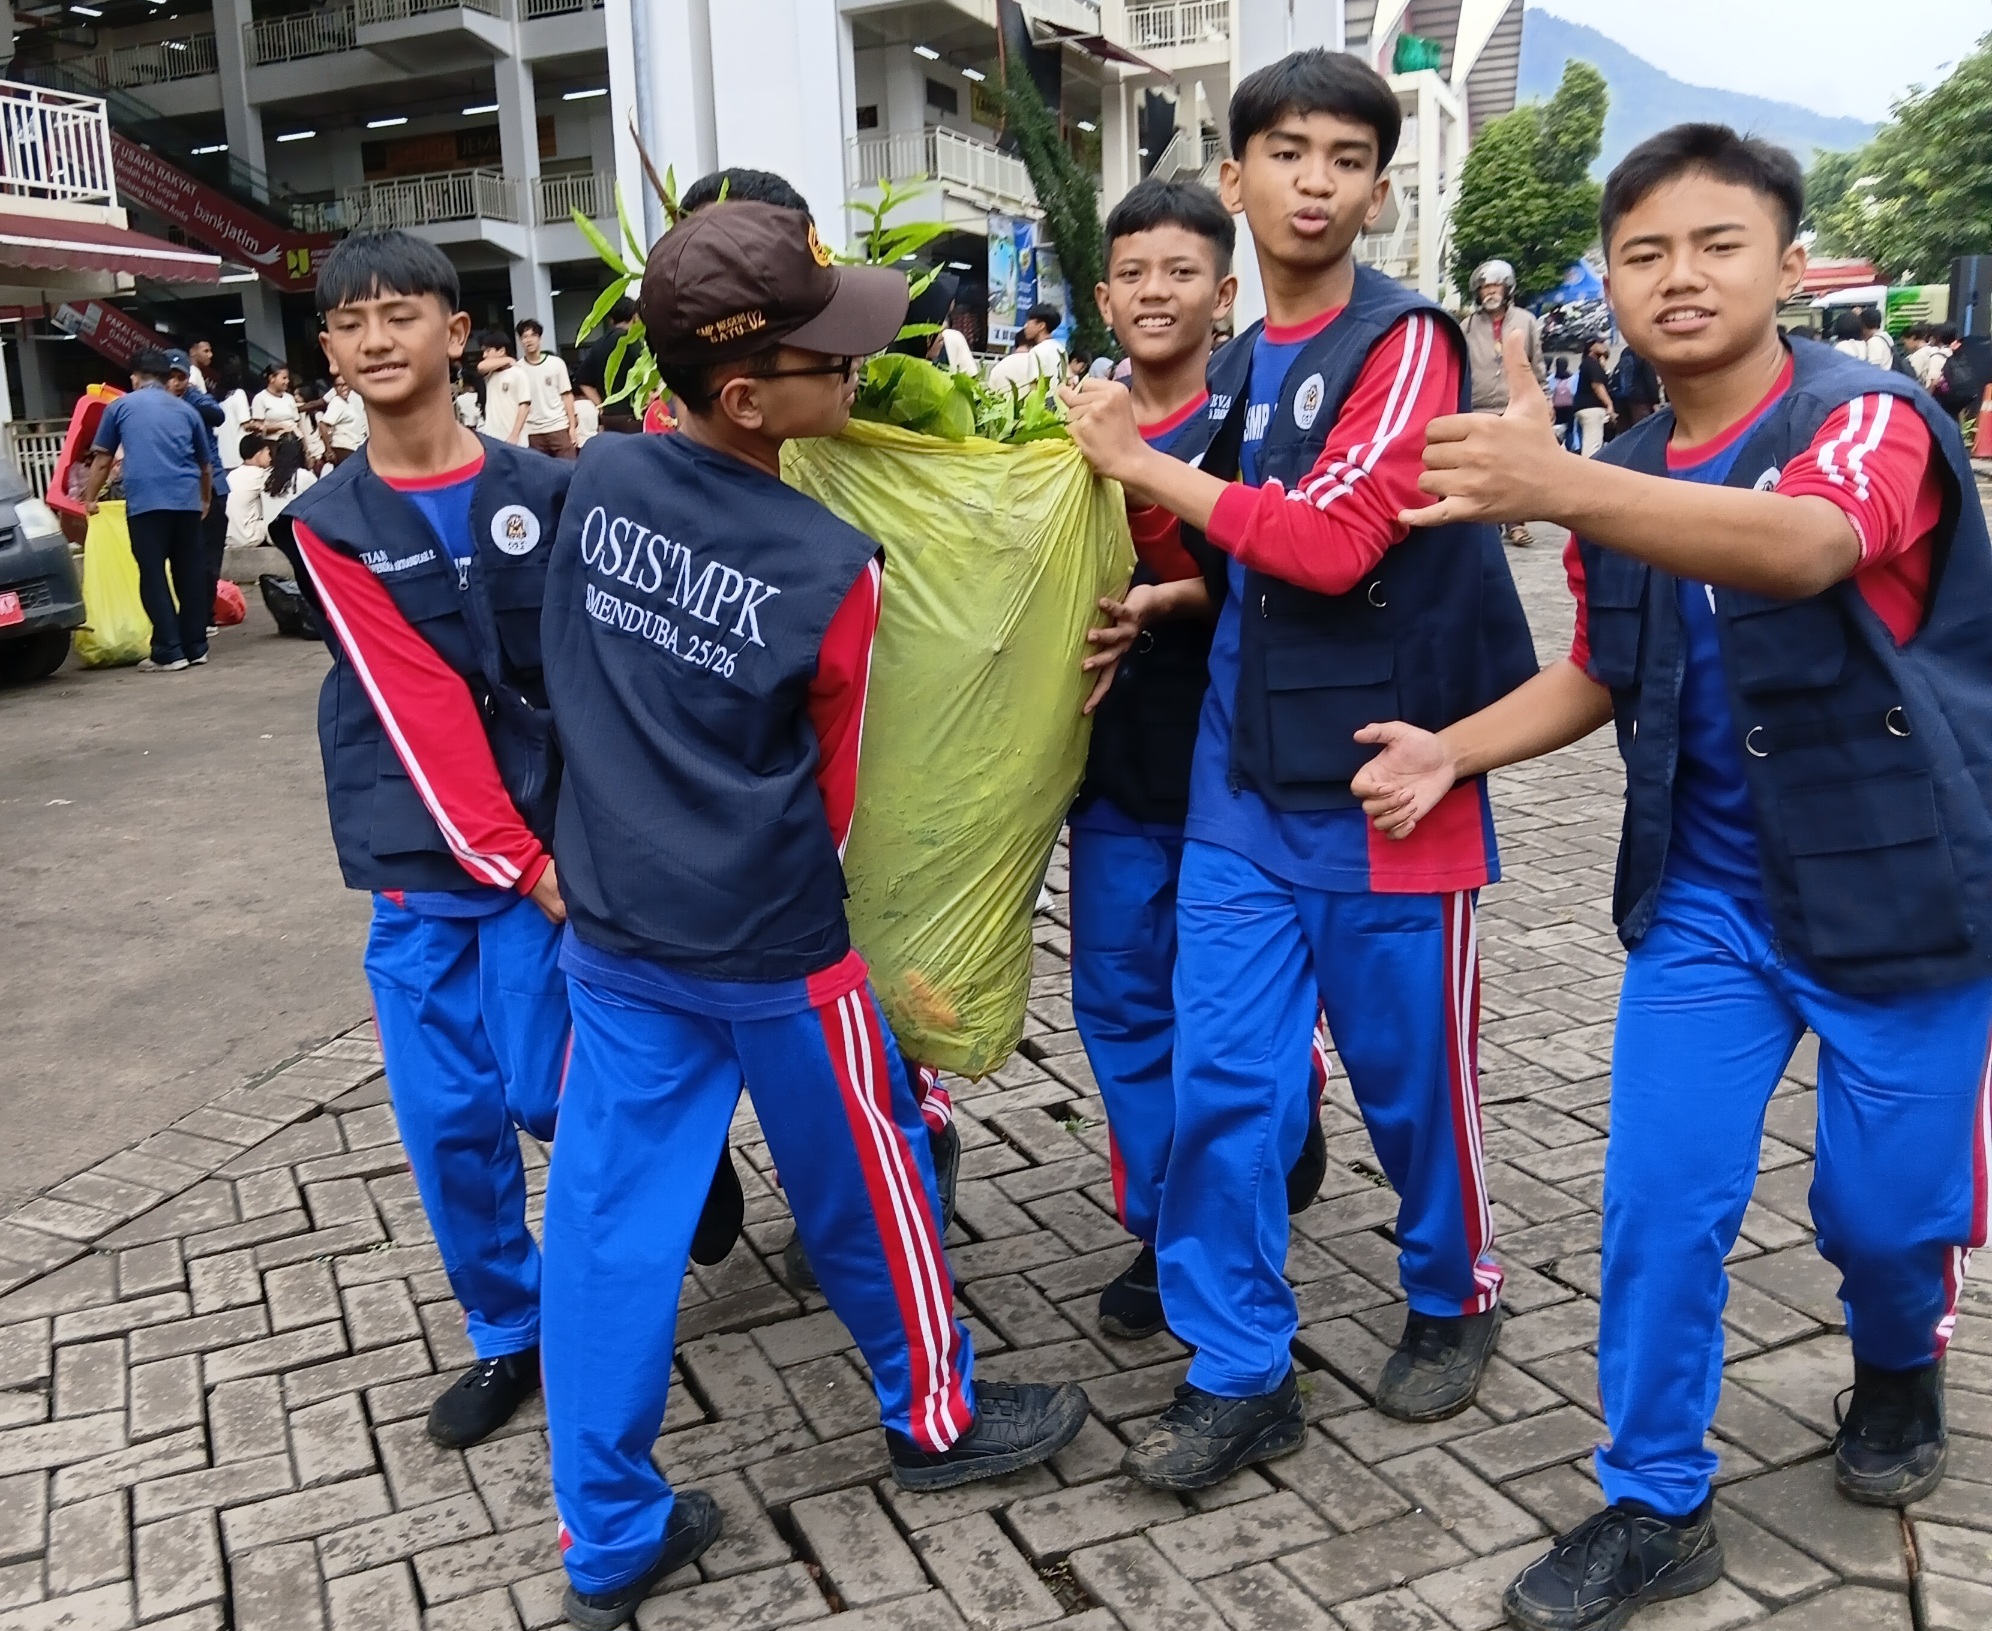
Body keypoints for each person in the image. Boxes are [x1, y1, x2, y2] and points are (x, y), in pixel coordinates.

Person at [1350, 123, 1992, 1631]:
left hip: (1901, 895)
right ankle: (1654, 1497)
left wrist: (1560, 481)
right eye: (1644, 252)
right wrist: (1455, 748)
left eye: (1716, 243)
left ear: (1784, 260)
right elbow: (1600, 670)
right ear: (1610, 285)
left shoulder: (1875, 419)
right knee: (1656, 1202)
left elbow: (1810, 547)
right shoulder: (1624, 468)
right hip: (1707, 900)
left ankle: (1898, 1357)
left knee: (1884, 1214)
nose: (1680, 275)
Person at [536, 199, 1091, 1630]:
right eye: (826, 361)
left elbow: (560, 673)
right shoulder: (829, 565)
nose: (852, 374)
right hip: (781, 944)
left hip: (615, 932)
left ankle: (606, 1532)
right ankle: (937, 1417)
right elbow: (840, 789)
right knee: (869, 1178)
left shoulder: (593, 484)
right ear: (744, 394)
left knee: (605, 1221)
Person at [1060, 48, 1537, 1489]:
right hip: (1240, 788)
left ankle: (1454, 1291)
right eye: (1286, 152)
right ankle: (1240, 1361)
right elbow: (1251, 556)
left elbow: (1334, 541)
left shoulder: (1411, 344)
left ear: (1379, 192)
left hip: (1394, 779)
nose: (1313, 179)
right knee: (1220, 1082)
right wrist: (1170, 597)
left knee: (1410, 1084)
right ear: (1237, 178)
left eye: (1344, 158)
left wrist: (1139, 463)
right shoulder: (1252, 363)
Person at [286, 230, 575, 1456]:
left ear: (459, 335)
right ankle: (511, 1329)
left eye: (399, 315)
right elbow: (418, 716)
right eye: (350, 324)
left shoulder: (549, 491)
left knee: (548, 1088)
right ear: (330, 355)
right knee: (452, 1118)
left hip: (548, 863)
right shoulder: (327, 523)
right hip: (423, 865)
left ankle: (681, 1177)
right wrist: (516, 856)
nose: (376, 340)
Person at [1070, 176, 1334, 1343]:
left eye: (1181, 272)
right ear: (1103, 293)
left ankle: (1265, 1147)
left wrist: (1163, 596)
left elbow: (1291, 561)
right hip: (1116, 762)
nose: (1155, 292)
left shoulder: (1264, 418)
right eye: (1134, 273)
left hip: (1242, 768)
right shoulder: (1068, 430)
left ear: (1224, 294)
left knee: (1227, 1017)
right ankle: (1166, 1213)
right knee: (1121, 997)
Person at [76, 347, 214, 672]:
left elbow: (103, 460)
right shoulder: (186, 411)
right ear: (168, 379)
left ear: (135, 378)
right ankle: (196, 646)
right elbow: (205, 465)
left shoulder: (120, 406)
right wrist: (204, 500)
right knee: (190, 574)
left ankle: (169, 650)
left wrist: (90, 498)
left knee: (153, 575)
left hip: (146, 505)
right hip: (186, 502)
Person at [1462, 259, 1545, 545]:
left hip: (1516, 406)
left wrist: (1544, 403)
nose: (1489, 291)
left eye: (1495, 285)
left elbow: (1537, 367)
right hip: (1479, 407)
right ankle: (1487, 525)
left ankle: (1516, 523)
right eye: (1484, 287)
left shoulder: (1526, 322)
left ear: (1507, 288)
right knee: (1481, 468)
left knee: (1515, 468)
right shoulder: (1467, 327)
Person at [166, 348, 229, 634]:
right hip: (180, 490)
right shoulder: (155, 406)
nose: (177, 383)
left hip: (211, 488)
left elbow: (217, 414)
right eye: (171, 377)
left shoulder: (195, 399)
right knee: (184, 557)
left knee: (207, 557)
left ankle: (205, 615)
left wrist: (187, 399)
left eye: (182, 377)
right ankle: (191, 615)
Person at [515, 318, 579, 459]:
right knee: (539, 477)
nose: (528, 340)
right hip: (532, 432)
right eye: (524, 337)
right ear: (520, 341)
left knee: (569, 470)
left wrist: (572, 427)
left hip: (559, 427)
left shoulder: (556, 363)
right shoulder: (517, 369)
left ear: (540, 338)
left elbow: (567, 396)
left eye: (533, 335)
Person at [574, 296, 640, 432]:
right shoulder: (630, 340)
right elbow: (645, 371)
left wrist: (601, 406)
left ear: (611, 320)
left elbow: (582, 379)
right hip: (632, 414)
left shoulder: (599, 344)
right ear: (635, 316)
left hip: (609, 417)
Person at [987, 303, 1066, 391]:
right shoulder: (1061, 349)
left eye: (1028, 322)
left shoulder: (1036, 352)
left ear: (1041, 326)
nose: (1025, 326)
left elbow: (1034, 387)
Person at [476, 330, 532, 444]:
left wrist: (514, 435)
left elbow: (524, 406)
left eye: (488, 350)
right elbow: (481, 367)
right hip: (492, 437)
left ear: (501, 351)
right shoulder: (490, 374)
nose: (484, 355)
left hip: (515, 439)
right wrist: (508, 359)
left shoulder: (518, 373)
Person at [1576, 334, 1616, 455]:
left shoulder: (1591, 363)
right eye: (1599, 342)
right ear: (1591, 346)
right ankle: (1587, 472)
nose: (1603, 344)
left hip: (1587, 407)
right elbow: (1597, 386)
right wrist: (1609, 404)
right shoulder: (1591, 363)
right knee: (1592, 445)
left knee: (1594, 443)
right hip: (1591, 407)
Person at [320, 371, 369, 465]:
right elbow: (323, 425)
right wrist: (329, 451)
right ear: (335, 388)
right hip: (343, 448)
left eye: (346, 384)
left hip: (356, 447)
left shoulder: (353, 400)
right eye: (340, 385)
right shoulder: (337, 402)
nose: (344, 388)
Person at [1613, 341, 1662, 425]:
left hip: (1626, 398)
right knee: (1645, 428)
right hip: (1642, 400)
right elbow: (1650, 378)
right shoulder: (1644, 352)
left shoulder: (1625, 351)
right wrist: (1655, 401)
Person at [250, 364, 302, 438]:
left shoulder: (289, 398)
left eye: (288, 378)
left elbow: (297, 423)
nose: (287, 381)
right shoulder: (260, 398)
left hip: (296, 440)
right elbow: (259, 428)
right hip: (275, 443)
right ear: (272, 378)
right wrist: (280, 427)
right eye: (284, 378)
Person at [1550, 356, 1577, 448]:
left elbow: (1550, 392)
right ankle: (1570, 448)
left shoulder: (1551, 379)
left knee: (1557, 429)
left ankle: (1557, 446)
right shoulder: (1573, 377)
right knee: (1570, 430)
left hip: (1556, 408)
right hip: (1569, 407)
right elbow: (1574, 392)